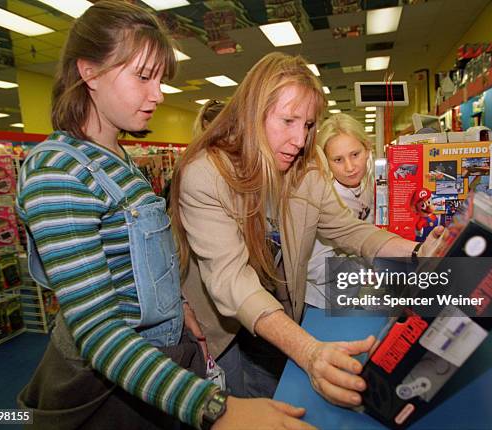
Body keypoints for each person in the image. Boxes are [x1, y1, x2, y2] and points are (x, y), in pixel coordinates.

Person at [15, 3, 314, 429]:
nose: (157, 94)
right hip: (102, 388)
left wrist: (180, 305)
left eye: (159, 79)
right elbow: (99, 334)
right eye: (143, 76)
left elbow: (136, 264)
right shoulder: (57, 175)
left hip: (157, 366)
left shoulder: (119, 159)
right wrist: (218, 408)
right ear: (89, 72)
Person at [170, 52, 443, 404]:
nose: (300, 140)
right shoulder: (204, 175)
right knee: (242, 404)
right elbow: (232, 282)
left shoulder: (305, 166)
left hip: (280, 309)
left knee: (277, 392)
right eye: (288, 121)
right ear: (253, 113)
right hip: (224, 326)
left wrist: (418, 251)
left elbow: (348, 230)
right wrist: (309, 350)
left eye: (309, 125)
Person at [305, 113, 375, 308]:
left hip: (353, 295)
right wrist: (365, 271)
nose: (350, 167)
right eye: (338, 160)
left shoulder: (371, 186)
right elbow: (313, 266)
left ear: (367, 149)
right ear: (325, 162)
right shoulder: (322, 199)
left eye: (355, 154)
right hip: (322, 302)